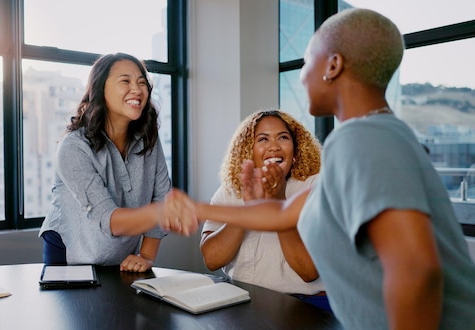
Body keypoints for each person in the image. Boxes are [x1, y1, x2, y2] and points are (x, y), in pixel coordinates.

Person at [162, 8, 475, 329]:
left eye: (308, 59)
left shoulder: (362, 138)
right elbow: (281, 212)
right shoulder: (379, 134)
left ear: (333, 65)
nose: (300, 74)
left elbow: (418, 270)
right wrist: (191, 208)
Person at [38, 52, 170, 272]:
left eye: (142, 82)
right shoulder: (73, 147)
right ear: (100, 89)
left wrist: (146, 255)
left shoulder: (149, 140)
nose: (137, 90)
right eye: (125, 81)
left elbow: (161, 198)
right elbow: (110, 219)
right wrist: (167, 212)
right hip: (71, 257)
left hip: (121, 258)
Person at [200, 109, 330, 311]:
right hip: (242, 300)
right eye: (263, 139)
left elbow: (309, 271)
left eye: (283, 138)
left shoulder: (315, 186)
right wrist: (247, 209)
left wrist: (278, 202)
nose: (274, 147)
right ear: (248, 150)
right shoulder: (229, 191)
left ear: (295, 150)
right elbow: (212, 259)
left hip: (305, 305)